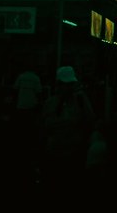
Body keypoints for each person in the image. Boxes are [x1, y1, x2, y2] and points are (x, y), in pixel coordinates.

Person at [38, 66, 96, 200]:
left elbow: (91, 121)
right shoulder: (50, 103)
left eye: (70, 85)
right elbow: (42, 128)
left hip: (73, 156)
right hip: (53, 156)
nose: (68, 88)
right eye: (65, 85)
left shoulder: (80, 101)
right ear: (58, 85)